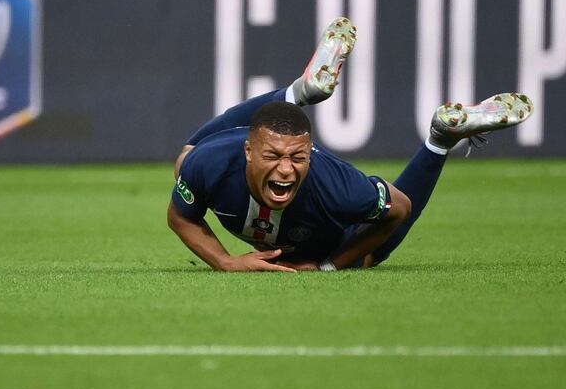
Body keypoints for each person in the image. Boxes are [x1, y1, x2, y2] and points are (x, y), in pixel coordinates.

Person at [168, 17, 533, 272]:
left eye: (297, 157)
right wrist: (227, 262)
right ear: (248, 152)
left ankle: (440, 137)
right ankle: (300, 93)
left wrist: (328, 266)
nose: (285, 169)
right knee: (185, 161)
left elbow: (399, 208)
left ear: (310, 152)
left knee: (370, 254)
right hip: (228, 155)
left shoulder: (336, 186)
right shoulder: (211, 163)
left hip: (332, 236)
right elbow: (180, 216)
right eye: (273, 157)